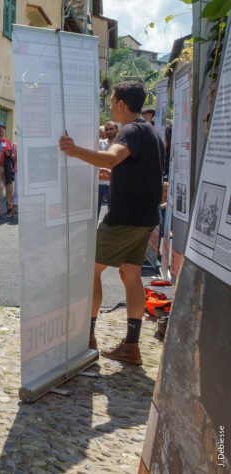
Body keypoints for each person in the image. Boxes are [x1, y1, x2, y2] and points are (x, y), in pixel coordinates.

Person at [59, 80, 164, 365]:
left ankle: (86, 339)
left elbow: (111, 157)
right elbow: (137, 169)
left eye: (112, 100)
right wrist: (115, 175)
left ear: (121, 103)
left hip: (124, 220)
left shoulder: (130, 130)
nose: (109, 105)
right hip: (145, 218)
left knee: (88, 271)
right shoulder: (151, 131)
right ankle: (131, 346)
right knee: (131, 274)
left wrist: (73, 150)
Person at [0, 122, 16, 218]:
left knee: (9, 188)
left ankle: (9, 207)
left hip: (7, 167)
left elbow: (12, 153)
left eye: (3, 128)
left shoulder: (8, 141)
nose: (1, 130)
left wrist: (9, 154)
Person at [97, 121, 118, 217]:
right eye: (106, 129)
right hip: (99, 183)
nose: (109, 131)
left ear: (117, 130)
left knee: (113, 213)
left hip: (113, 184)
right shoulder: (99, 143)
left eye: (111, 129)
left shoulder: (121, 145)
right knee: (95, 212)